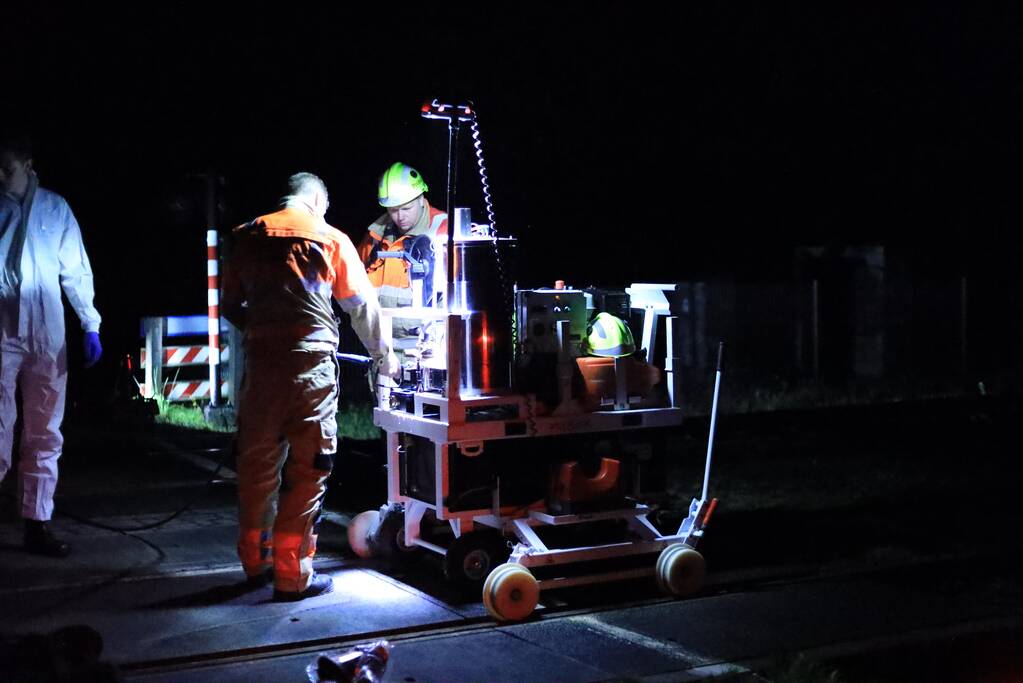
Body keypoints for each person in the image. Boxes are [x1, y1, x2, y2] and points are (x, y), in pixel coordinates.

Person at [222, 172, 398, 601]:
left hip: (261, 371)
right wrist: (385, 357)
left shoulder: (247, 235)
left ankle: (254, 562)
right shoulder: (329, 237)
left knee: (257, 467)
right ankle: (293, 575)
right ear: (318, 201)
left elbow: (229, 305)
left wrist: (263, 334)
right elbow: (362, 309)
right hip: (310, 372)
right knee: (309, 469)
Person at [0, 134, 102, 558]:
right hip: (2, 328)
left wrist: (89, 323)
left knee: (44, 432)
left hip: (47, 333)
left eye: (7, 168)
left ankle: (36, 525)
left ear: (29, 163)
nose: (1, 176)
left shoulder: (55, 208)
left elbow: (75, 271)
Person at [357, 162, 447, 350]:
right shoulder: (375, 236)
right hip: (381, 350)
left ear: (421, 198)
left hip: (429, 351)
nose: (399, 217)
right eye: (393, 210)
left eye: (406, 209)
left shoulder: (443, 231)